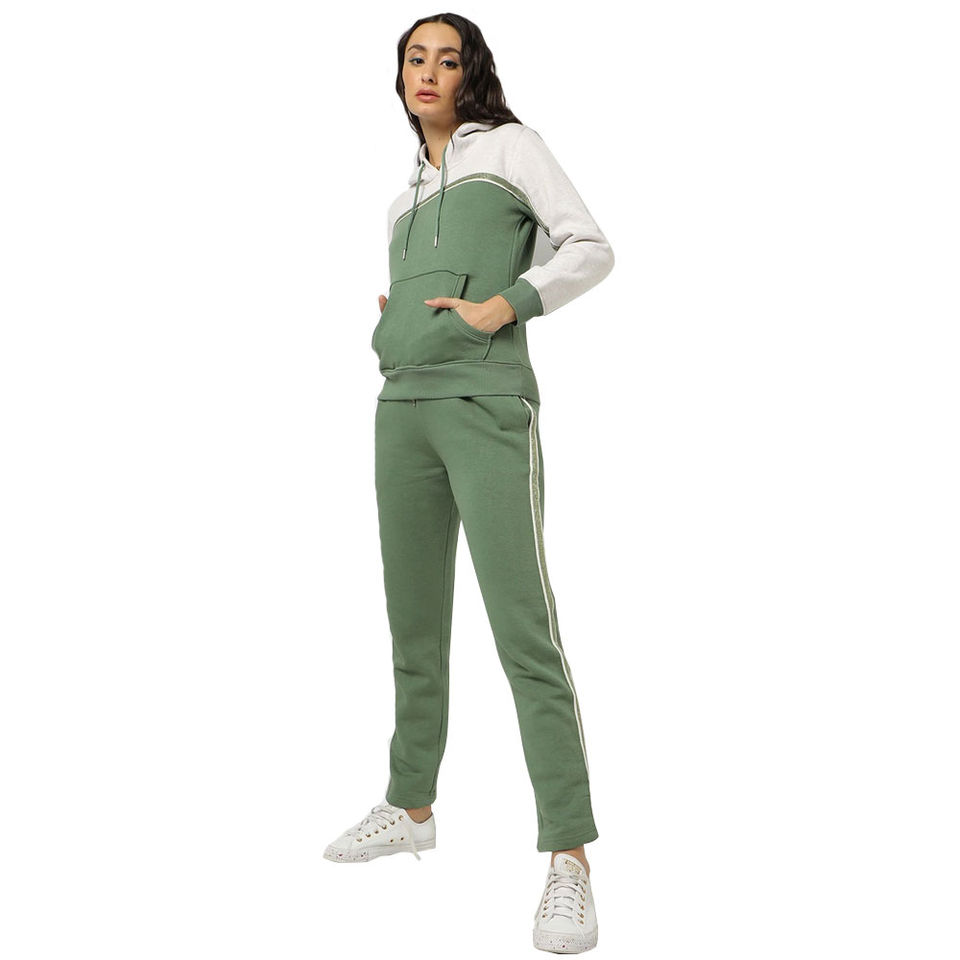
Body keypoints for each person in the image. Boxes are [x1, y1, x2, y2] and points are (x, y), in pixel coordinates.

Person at [323, 13, 614, 954]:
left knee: (525, 630)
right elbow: (420, 298)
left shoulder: (512, 149)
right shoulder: (402, 197)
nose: (429, 73)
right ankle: (411, 805)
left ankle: (569, 855)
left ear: (470, 74)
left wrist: (507, 303)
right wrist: (396, 321)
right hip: (400, 410)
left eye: (448, 60)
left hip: (486, 407)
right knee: (413, 626)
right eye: (416, 58)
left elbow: (589, 246)